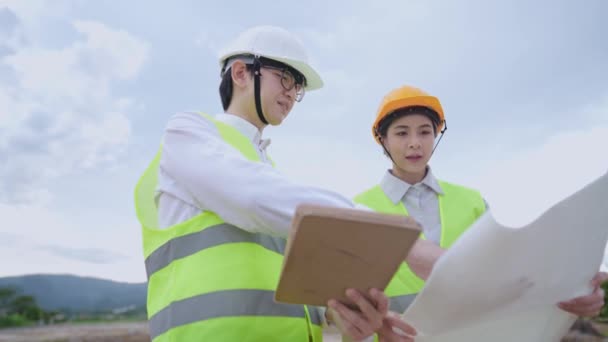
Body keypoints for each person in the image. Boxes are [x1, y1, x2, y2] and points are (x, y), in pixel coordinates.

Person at [133, 26, 421, 342]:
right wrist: (381, 229)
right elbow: (252, 197)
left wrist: (337, 315)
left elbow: (291, 284)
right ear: (241, 73)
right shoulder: (188, 134)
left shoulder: (272, 178)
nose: (291, 93)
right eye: (285, 77)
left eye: (297, 87)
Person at [353, 85, 608, 341]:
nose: (415, 143)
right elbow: (343, 304)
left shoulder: (472, 201)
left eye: (425, 132)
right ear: (383, 140)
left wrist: (572, 289)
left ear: (436, 136)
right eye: (401, 133)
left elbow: (507, 278)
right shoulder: (358, 209)